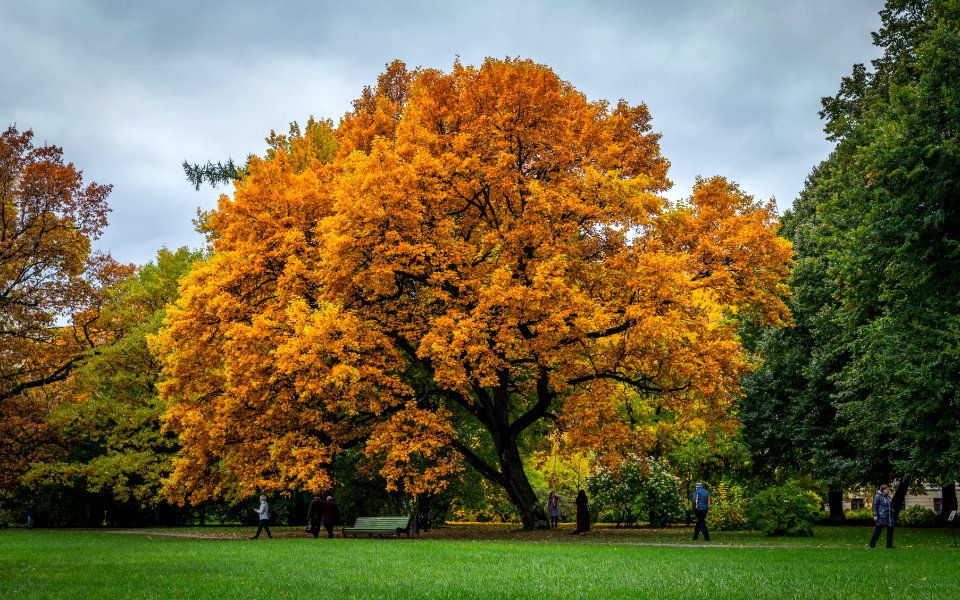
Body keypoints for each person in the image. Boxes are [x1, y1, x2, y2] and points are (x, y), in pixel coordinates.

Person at [868, 484, 895, 548]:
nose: (888, 490)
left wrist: (892, 511)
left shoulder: (888, 497)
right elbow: (874, 506)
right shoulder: (877, 496)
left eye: (888, 489)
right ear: (883, 490)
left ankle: (889, 545)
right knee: (877, 532)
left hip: (889, 517)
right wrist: (875, 515)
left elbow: (890, 506)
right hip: (881, 517)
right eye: (886, 489)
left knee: (890, 531)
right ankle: (872, 545)